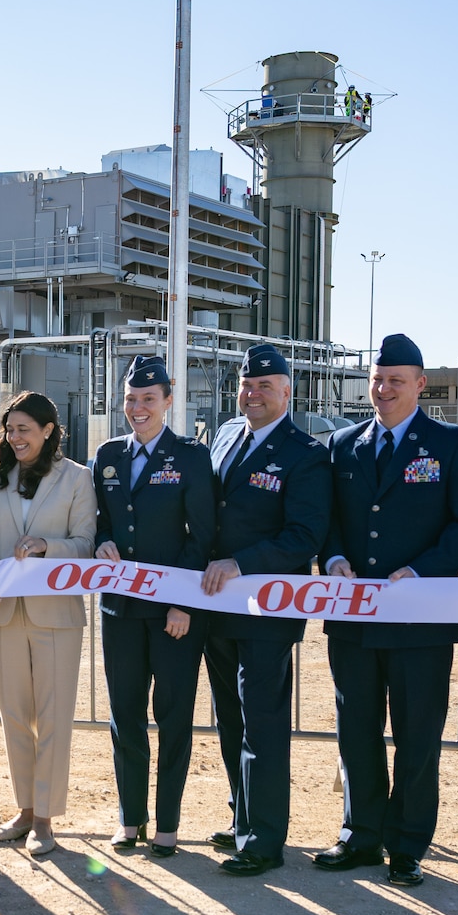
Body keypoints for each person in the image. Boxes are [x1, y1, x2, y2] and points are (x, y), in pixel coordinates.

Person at [317, 334, 458, 885]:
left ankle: (408, 844)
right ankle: (361, 834)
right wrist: (334, 557)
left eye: (396, 380)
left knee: (417, 736)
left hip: (422, 619)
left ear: (420, 384)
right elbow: (326, 518)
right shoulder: (343, 443)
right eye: (377, 379)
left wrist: (423, 570)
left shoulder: (454, 444)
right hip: (354, 619)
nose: (384, 389)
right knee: (356, 731)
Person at [200, 344, 332, 877]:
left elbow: (304, 536)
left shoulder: (305, 453)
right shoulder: (226, 435)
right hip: (217, 606)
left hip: (267, 610)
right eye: (247, 385)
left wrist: (241, 563)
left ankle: (264, 838)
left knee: (263, 723)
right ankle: (242, 815)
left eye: (265, 386)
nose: (253, 394)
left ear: (287, 392)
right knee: (230, 719)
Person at [91, 355, 215, 857]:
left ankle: (167, 825)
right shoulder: (107, 455)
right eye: (130, 399)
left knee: (174, 717)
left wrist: (184, 604)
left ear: (168, 399)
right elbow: (99, 520)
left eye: (148, 398)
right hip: (120, 611)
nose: (137, 407)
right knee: (125, 716)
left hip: (173, 616)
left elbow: (202, 535)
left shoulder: (190, 456)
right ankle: (130, 818)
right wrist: (100, 541)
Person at [0, 391, 96, 857]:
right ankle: (24, 810)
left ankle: (45, 818)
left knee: (54, 718)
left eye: (24, 429)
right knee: (15, 718)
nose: (15, 437)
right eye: (10, 430)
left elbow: (85, 544)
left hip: (56, 615)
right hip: (4, 613)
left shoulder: (77, 478)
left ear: (48, 431)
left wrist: (47, 546)